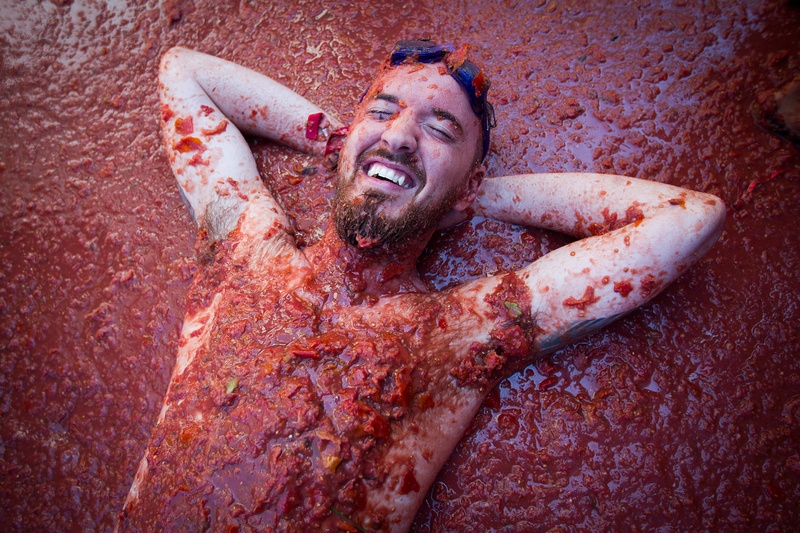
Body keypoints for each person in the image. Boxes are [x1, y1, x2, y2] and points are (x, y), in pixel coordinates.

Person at [118, 40, 725, 532]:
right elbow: (184, 71)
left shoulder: (459, 334)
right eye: (383, 112)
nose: (401, 135)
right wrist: (338, 141)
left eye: (440, 130)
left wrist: (471, 196)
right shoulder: (244, 252)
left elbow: (687, 219)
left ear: (469, 186)